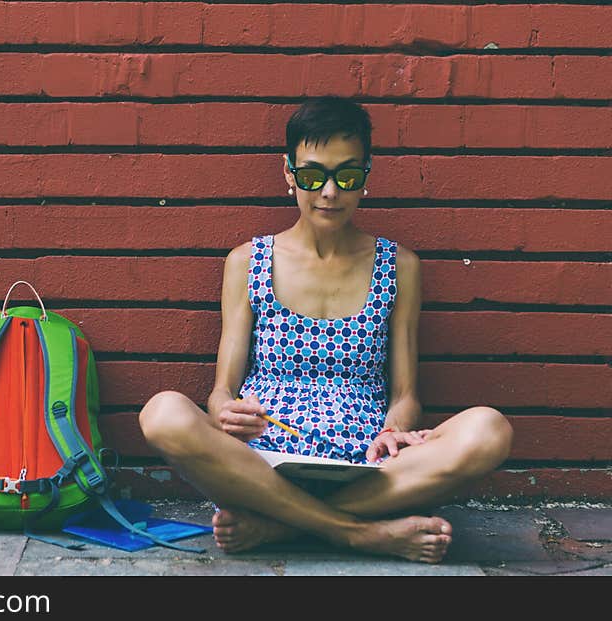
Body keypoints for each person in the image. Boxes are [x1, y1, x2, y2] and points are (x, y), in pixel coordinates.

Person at [138, 96, 513, 564]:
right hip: (262, 462)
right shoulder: (246, 262)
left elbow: (405, 393)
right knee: (162, 413)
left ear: (367, 176)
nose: (330, 192)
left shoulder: (400, 266)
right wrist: (229, 414)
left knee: (489, 430)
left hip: (367, 465)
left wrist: (397, 428)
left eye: (347, 176)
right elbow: (221, 391)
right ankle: (357, 533)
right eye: (313, 176)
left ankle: (277, 525)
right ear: (288, 173)